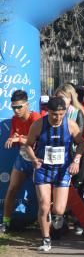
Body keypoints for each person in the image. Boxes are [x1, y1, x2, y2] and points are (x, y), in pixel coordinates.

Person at [24, 97, 84, 252]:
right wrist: (33, 159)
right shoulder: (38, 125)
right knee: (44, 205)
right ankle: (46, 239)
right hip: (43, 168)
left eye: (60, 114)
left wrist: (76, 160)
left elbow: (81, 143)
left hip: (62, 169)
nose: (57, 118)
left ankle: (57, 217)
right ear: (47, 112)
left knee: (59, 209)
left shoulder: (70, 125)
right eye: (53, 114)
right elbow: (28, 145)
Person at [1, 90, 42, 233]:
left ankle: (51, 223)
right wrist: (13, 138)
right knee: (12, 189)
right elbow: (15, 136)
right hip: (23, 159)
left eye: (19, 107)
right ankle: (5, 222)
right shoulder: (14, 119)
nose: (16, 110)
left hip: (37, 160)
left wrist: (19, 138)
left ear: (27, 105)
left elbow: (35, 140)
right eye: (13, 107)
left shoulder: (36, 118)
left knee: (42, 195)